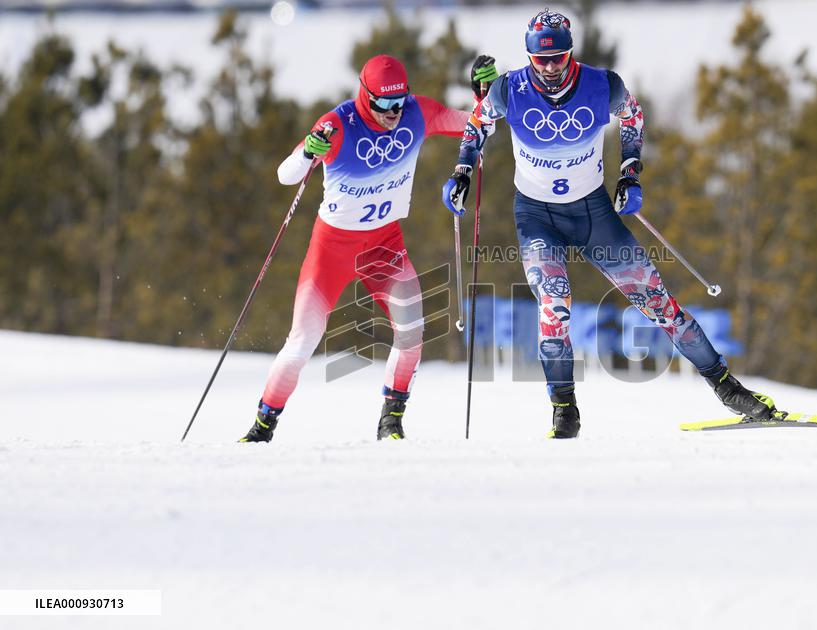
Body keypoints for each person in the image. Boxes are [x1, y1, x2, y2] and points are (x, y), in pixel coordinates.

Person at [441, 10, 779, 438]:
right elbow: (476, 127)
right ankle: (565, 411)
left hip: (592, 213)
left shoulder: (603, 85)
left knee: (657, 302)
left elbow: (633, 119)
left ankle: (729, 389)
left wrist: (630, 172)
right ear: (529, 58)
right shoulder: (510, 89)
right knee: (554, 306)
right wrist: (462, 174)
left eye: (558, 58)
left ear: (570, 53)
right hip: (537, 215)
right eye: (540, 60)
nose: (549, 69)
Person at [241, 53, 498, 443]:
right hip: (333, 248)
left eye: (399, 103)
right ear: (366, 97)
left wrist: (486, 97)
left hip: (384, 245)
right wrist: (308, 151)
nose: (394, 113)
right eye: (384, 105)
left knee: (413, 333)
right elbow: (285, 175)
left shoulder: (417, 113)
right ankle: (262, 427)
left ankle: (390, 421)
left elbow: (477, 127)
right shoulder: (337, 124)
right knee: (302, 342)